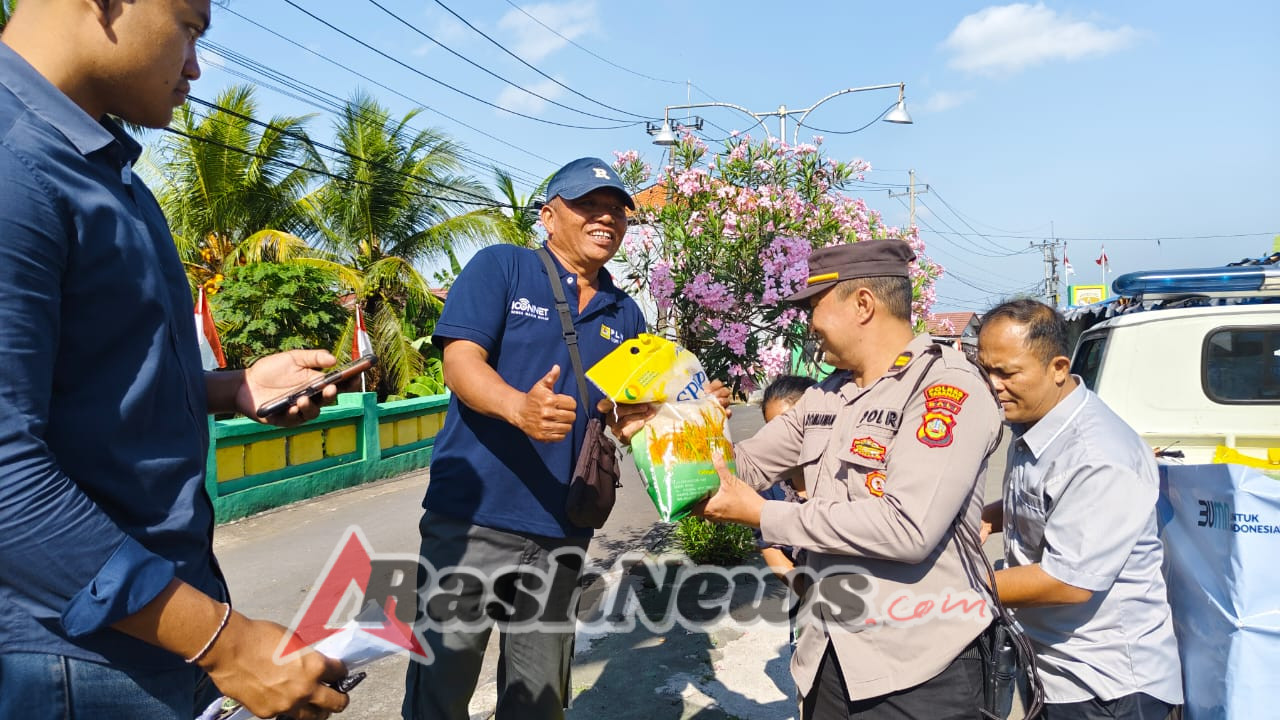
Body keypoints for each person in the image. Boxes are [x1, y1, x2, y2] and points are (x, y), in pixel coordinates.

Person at [0, 2, 352, 719]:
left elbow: (88, 384)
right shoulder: (13, 166)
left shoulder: (103, 172)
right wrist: (228, 645)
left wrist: (232, 387)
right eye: (189, 27)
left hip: (152, 634)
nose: (194, 66)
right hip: (68, 657)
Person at [695, 239, 1003, 719]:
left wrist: (764, 514)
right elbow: (743, 469)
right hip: (829, 657)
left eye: (815, 307)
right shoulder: (828, 395)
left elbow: (907, 529)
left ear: (863, 304)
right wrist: (676, 425)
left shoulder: (945, 388)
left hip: (920, 673)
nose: (810, 324)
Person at [403, 158, 655, 720]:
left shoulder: (626, 312)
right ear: (548, 215)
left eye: (616, 210)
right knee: (440, 689)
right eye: (589, 205)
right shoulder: (503, 268)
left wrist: (681, 417)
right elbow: (460, 361)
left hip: (562, 525)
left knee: (539, 698)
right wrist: (518, 406)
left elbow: (622, 413)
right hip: (473, 517)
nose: (606, 218)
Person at [976, 299, 1183, 720]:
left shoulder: (1097, 453)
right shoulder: (1034, 423)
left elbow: (1066, 582)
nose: (993, 385)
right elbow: (1044, 505)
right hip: (1052, 670)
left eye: (1007, 373)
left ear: (1057, 368)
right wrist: (990, 516)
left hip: (1106, 687)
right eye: (986, 371)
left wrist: (957, 582)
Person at [755, 375, 817, 590]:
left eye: (793, 426)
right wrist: (811, 599)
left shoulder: (848, 475)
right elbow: (770, 546)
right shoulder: (770, 486)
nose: (783, 440)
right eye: (773, 430)